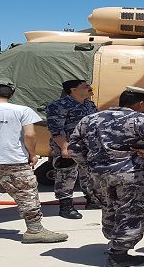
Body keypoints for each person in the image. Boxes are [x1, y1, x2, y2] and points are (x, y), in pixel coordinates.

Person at [68, 86, 144, 267]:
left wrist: (89, 166)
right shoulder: (142, 119)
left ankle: (113, 240)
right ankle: (119, 253)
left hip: (98, 175)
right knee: (131, 211)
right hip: (132, 175)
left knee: (109, 207)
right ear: (140, 103)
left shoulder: (90, 119)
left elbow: (74, 148)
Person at [0, 79, 67, 244]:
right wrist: (32, 154)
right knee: (27, 195)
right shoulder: (22, 110)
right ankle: (34, 230)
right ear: (10, 95)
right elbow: (30, 135)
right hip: (13, 160)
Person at [45, 79, 99, 219]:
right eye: (86, 86)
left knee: (89, 174)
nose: (90, 88)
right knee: (67, 175)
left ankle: (92, 200)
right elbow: (56, 129)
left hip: (88, 146)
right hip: (69, 145)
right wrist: (64, 147)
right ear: (73, 90)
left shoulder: (89, 104)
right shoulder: (58, 105)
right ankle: (66, 206)